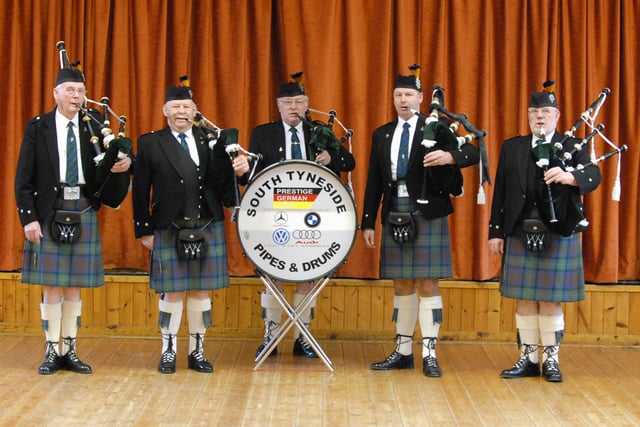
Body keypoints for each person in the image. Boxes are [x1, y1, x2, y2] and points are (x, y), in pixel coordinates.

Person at [361, 65, 479, 377]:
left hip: (426, 212)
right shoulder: (382, 133)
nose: (403, 100)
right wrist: (369, 221)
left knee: (427, 282)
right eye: (398, 94)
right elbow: (373, 180)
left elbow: (473, 153)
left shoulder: (436, 127)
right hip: (394, 212)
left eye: (409, 95)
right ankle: (402, 352)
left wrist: (450, 157)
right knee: (401, 284)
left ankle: (429, 352)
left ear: (421, 97)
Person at [15, 66, 133, 375]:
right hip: (48, 211)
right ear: (55, 93)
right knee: (52, 286)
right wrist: (28, 218)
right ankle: (52, 349)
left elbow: (110, 169)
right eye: (70, 91)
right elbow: (23, 177)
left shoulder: (93, 125)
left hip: (82, 207)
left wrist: (124, 163)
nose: (76, 97)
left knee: (74, 287)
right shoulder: (38, 127)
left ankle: (70, 348)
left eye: (80, 92)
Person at [132, 77, 249, 374]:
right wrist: (144, 230)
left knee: (200, 292)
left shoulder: (210, 140)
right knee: (172, 292)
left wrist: (240, 171)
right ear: (165, 110)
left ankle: (197, 351)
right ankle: (168, 350)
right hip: (168, 226)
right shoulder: (150, 143)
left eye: (186, 107)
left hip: (206, 223)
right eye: (175, 107)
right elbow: (141, 187)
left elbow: (224, 185)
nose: (181, 112)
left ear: (195, 111)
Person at [488, 81, 601, 382]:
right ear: (528, 115)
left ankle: (551, 360)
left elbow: (594, 175)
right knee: (524, 298)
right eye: (535, 111)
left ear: (557, 115)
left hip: (557, 231)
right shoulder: (512, 147)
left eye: (546, 112)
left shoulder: (573, 145)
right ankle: (528, 358)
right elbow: (500, 190)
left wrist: (568, 176)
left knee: (550, 300)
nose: (540, 117)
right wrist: (495, 232)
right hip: (519, 230)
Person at [244, 72, 356, 359]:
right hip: (273, 216)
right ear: (278, 106)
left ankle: (302, 337)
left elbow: (349, 162)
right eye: (288, 102)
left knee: (309, 275)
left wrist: (332, 157)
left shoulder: (320, 132)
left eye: (300, 102)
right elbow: (252, 177)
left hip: (314, 216)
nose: (294, 107)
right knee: (273, 274)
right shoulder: (262, 134)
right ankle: (271, 335)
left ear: (307, 105)